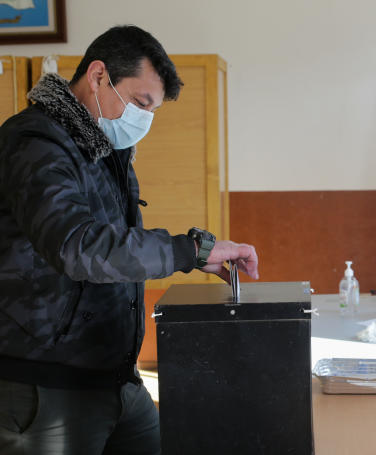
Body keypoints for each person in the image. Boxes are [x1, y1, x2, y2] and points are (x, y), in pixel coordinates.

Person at [0, 26, 258, 455]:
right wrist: (185, 250)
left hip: (116, 378)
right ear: (99, 76)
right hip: (45, 385)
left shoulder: (105, 150)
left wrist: (198, 256)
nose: (144, 120)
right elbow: (77, 246)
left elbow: (118, 243)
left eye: (153, 110)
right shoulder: (35, 143)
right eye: (141, 103)